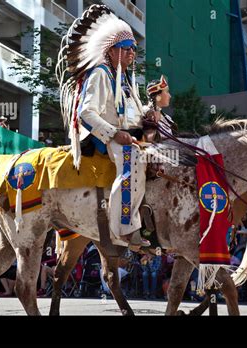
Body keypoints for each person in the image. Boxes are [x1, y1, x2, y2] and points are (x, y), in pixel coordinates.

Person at [61, 5, 150, 248]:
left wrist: (149, 116)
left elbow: (132, 114)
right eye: (127, 49)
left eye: (133, 49)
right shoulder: (100, 73)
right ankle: (124, 227)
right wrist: (114, 134)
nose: (132, 53)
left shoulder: (123, 77)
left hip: (129, 135)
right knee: (134, 161)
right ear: (111, 51)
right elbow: (86, 113)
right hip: (106, 138)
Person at [145, 76, 177, 141]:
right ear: (158, 97)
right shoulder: (144, 112)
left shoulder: (167, 118)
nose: (170, 96)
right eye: (167, 92)